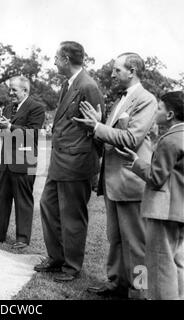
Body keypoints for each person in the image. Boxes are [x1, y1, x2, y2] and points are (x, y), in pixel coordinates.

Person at [74, 52, 158, 299]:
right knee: (116, 240)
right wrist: (97, 127)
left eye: (117, 69)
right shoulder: (121, 100)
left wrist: (98, 127)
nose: (112, 74)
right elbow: (110, 136)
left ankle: (141, 292)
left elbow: (132, 138)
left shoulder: (146, 99)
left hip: (131, 183)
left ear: (132, 70)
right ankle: (117, 283)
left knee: (138, 245)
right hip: (113, 182)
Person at [34, 41, 104, 281]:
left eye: (56, 57)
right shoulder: (69, 84)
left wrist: (90, 167)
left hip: (76, 164)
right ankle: (57, 258)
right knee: (48, 206)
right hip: (60, 162)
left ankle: (72, 267)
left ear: (65, 59)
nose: (53, 61)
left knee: (72, 216)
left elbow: (98, 129)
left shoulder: (88, 85)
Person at [116, 91, 184, 300]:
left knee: (160, 265)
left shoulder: (171, 139)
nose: (156, 111)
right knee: (177, 262)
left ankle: (146, 294)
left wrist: (137, 163)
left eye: (160, 108)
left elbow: (156, 177)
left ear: (170, 114)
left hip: (163, 211)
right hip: (179, 209)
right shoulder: (178, 135)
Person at [0, 76, 45, 249]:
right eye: (10, 89)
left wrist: (9, 127)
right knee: (3, 197)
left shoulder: (37, 108)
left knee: (23, 200)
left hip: (25, 160)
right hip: (7, 160)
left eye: (14, 90)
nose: (11, 93)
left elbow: (34, 134)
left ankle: (22, 238)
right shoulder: (8, 108)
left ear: (25, 90)